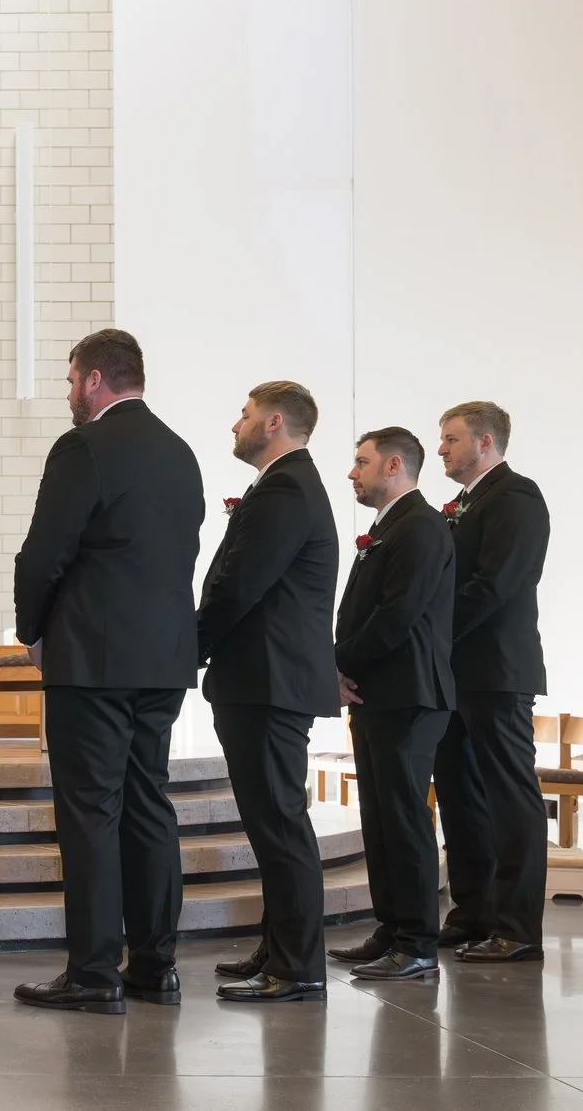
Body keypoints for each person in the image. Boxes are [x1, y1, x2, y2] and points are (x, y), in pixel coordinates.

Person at [9, 328, 203, 1015]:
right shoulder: (181, 452)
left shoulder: (84, 446)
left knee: (90, 810)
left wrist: (31, 630)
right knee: (149, 802)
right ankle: (156, 964)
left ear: (94, 379)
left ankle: (94, 970)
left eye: (69, 380)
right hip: (165, 659)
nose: (68, 394)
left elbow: (42, 554)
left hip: (92, 658)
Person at [196, 381, 338, 1003]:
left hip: (269, 678)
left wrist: (190, 645)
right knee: (268, 821)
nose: (236, 424)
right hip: (263, 677)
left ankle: (300, 965)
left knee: (279, 822)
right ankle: (280, 945)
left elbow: (239, 582)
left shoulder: (286, 487)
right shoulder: (284, 484)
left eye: (246, 415)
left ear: (274, 422)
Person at [331, 428, 455, 984]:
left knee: (404, 817)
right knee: (379, 817)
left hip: (410, 692)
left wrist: (337, 665)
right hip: (382, 693)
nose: (352, 473)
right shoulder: (390, 527)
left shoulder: (421, 526)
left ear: (394, 466)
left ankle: (418, 943)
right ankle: (392, 927)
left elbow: (396, 615)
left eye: (362, 462)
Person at [431, 399, 552, 964]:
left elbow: (495, 583)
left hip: (497, 670)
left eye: (451, 439)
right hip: (456, 673)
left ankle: (517, 925)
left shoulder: (515, 496)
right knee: (460, 796)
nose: (441, 450)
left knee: (508, 796)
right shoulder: (460, 504)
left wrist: (434, 634)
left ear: (485, 442)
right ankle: (472, 911)